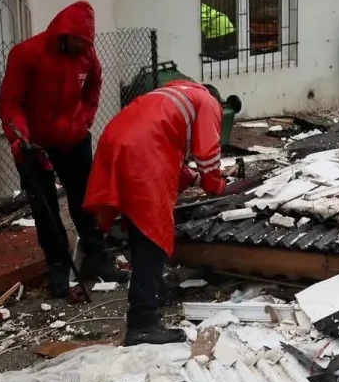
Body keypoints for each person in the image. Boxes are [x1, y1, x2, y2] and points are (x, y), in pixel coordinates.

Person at [84, 81, 232, 345]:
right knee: (153, 233)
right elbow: (208, 154)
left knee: (138, 225)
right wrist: (215, 184)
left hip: (115, 140)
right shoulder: (209, 102)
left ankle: (151, 291)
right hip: (145, 151)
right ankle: (142, 323)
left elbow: (167, 144)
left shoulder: (173, 94)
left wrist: (195, 180)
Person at [0, 0, 124, 297]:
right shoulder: (27, 54)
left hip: (73, 140)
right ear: (62, 34)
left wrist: (83, 122)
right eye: (77, 44)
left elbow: (93, 91)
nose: (83, 49)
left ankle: (97, 258)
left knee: (86, 200)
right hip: (33, 144)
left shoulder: (87, 56)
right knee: (45, 208)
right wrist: (20, 138)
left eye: (86, 45)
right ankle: (57, 266)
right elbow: (10, 102)